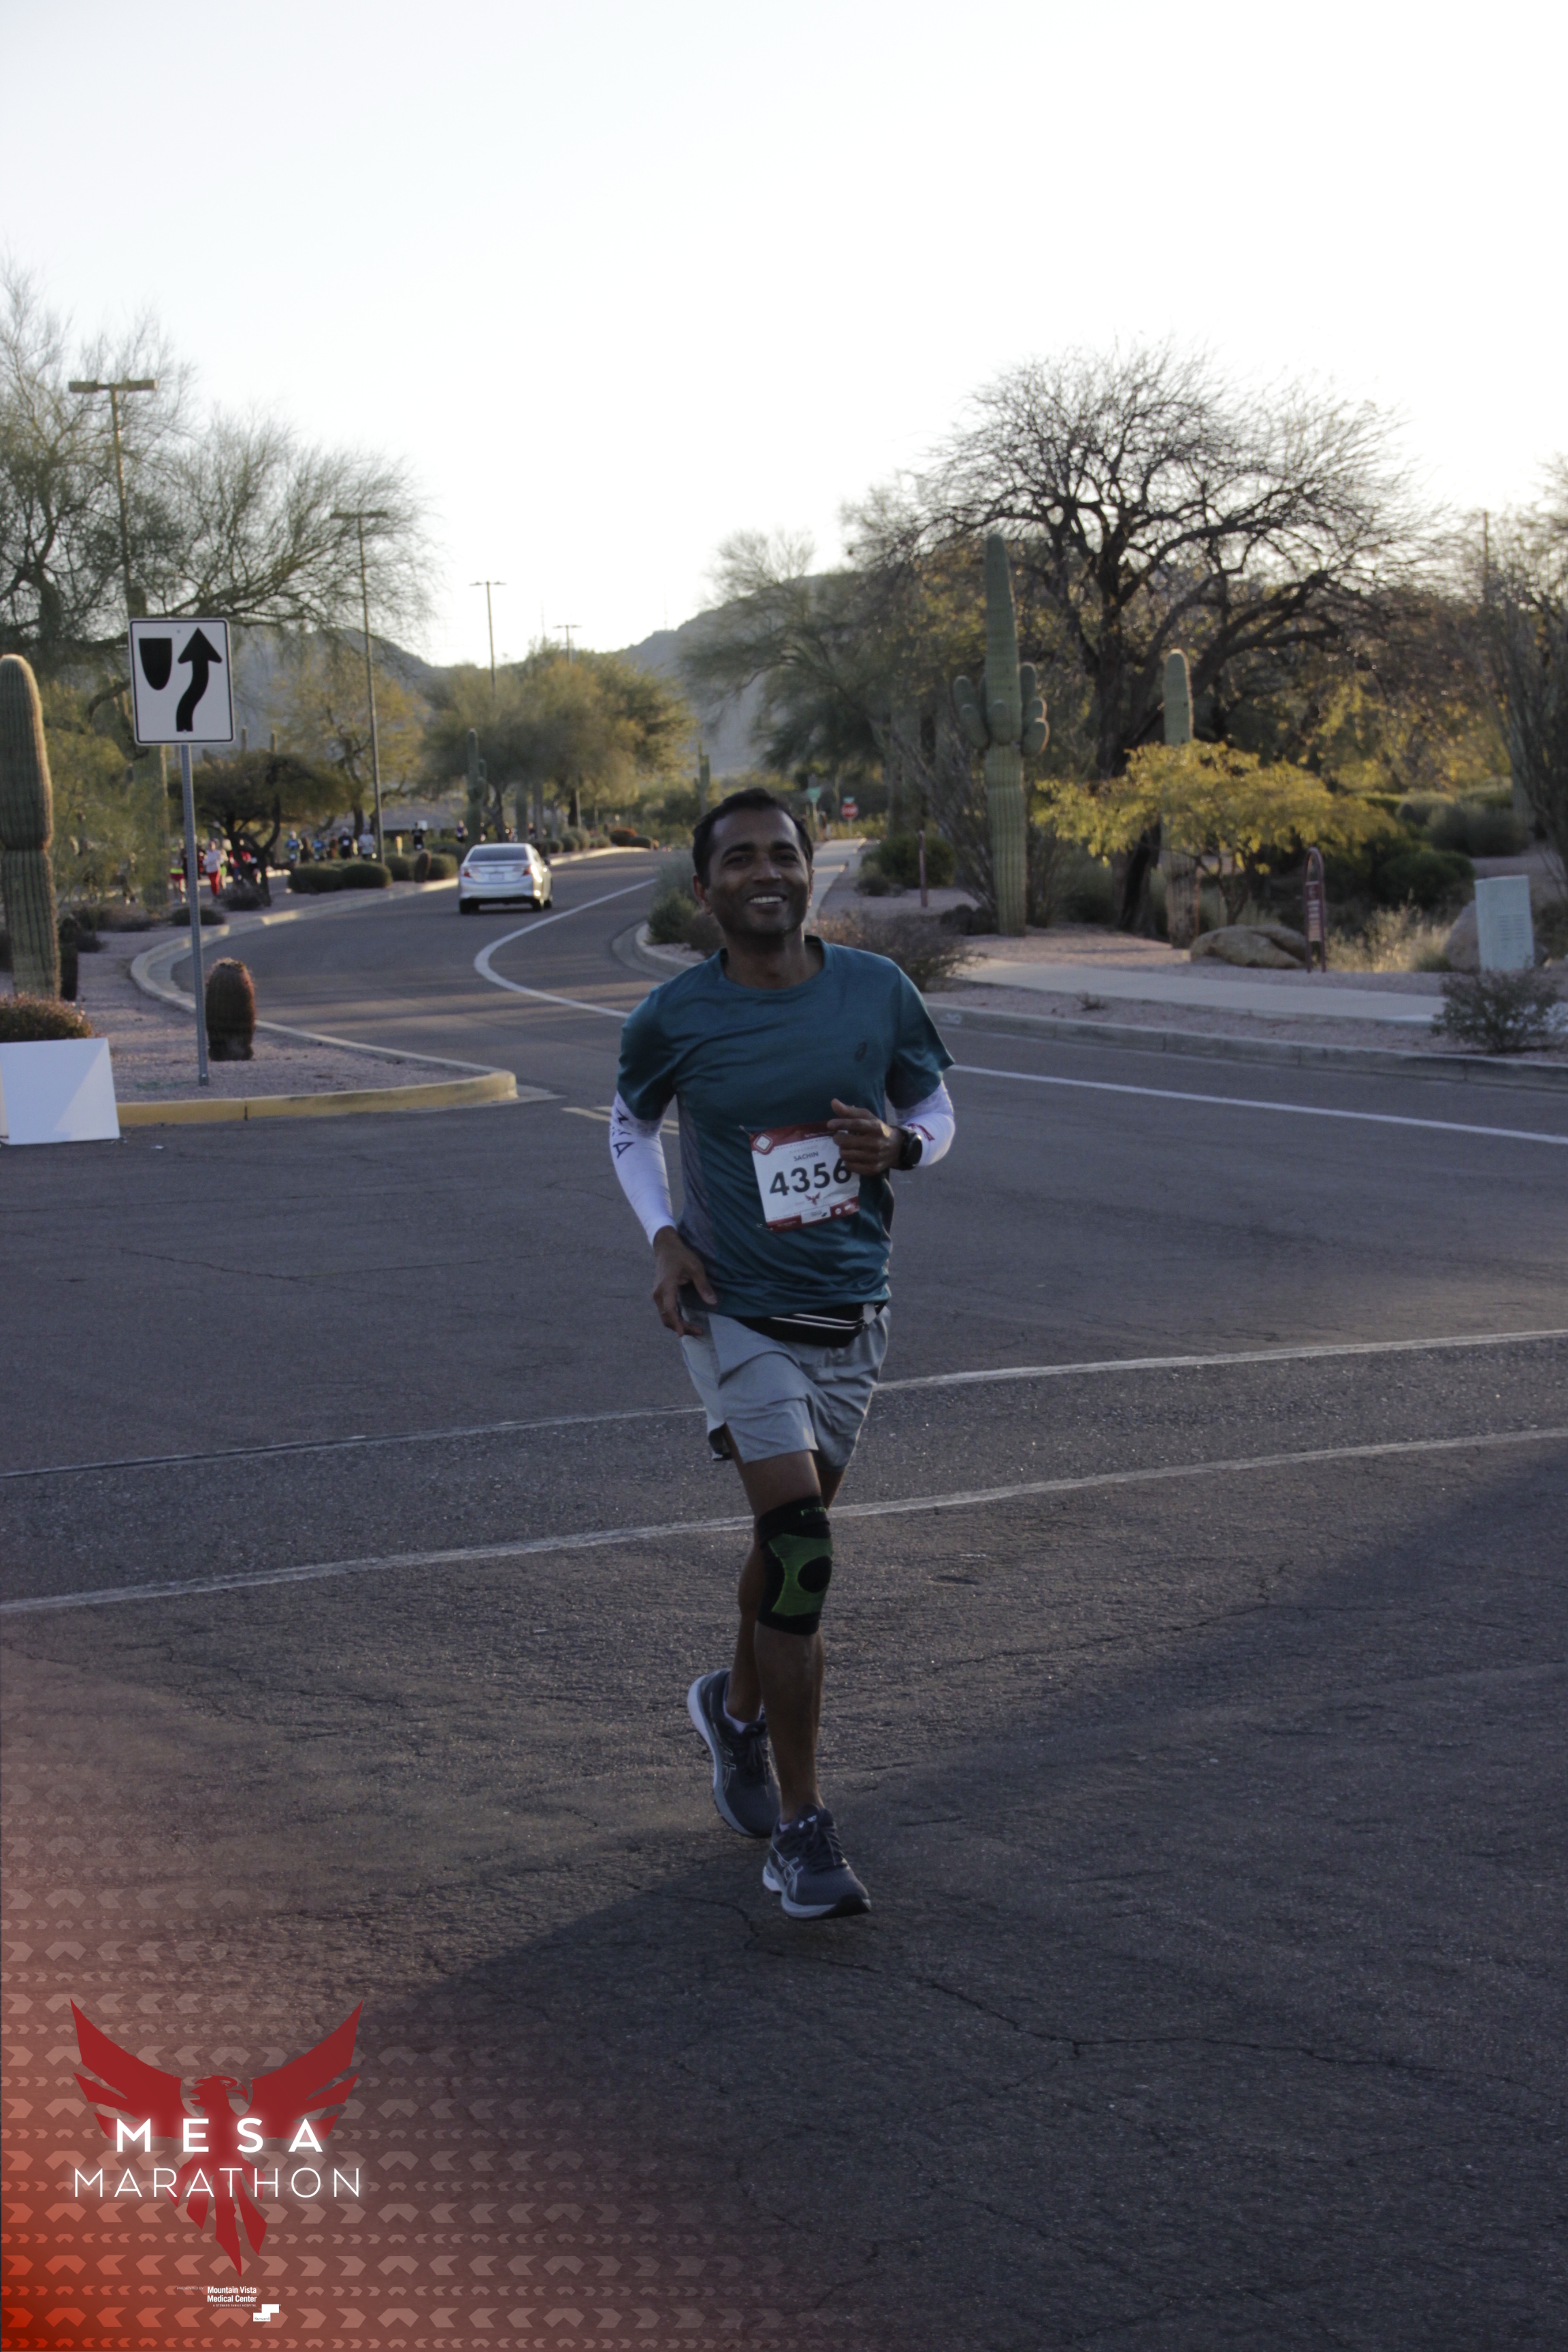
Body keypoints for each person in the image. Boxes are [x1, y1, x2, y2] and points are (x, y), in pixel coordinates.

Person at [610, 787, 956, 1921]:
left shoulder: (877, 989)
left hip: (852, 1308)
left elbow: (935, 1107)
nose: (766, 872)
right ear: (704, 889)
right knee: (803, 1545)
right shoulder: (672, 1016)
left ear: (814, 871)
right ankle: (803, 1833)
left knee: (786, 1540)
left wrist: (901, 1146)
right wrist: (664, 1238)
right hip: (737, 1310)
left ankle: (737, 1712)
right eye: (740, 859)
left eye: (784, 854)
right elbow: (629, 1126)